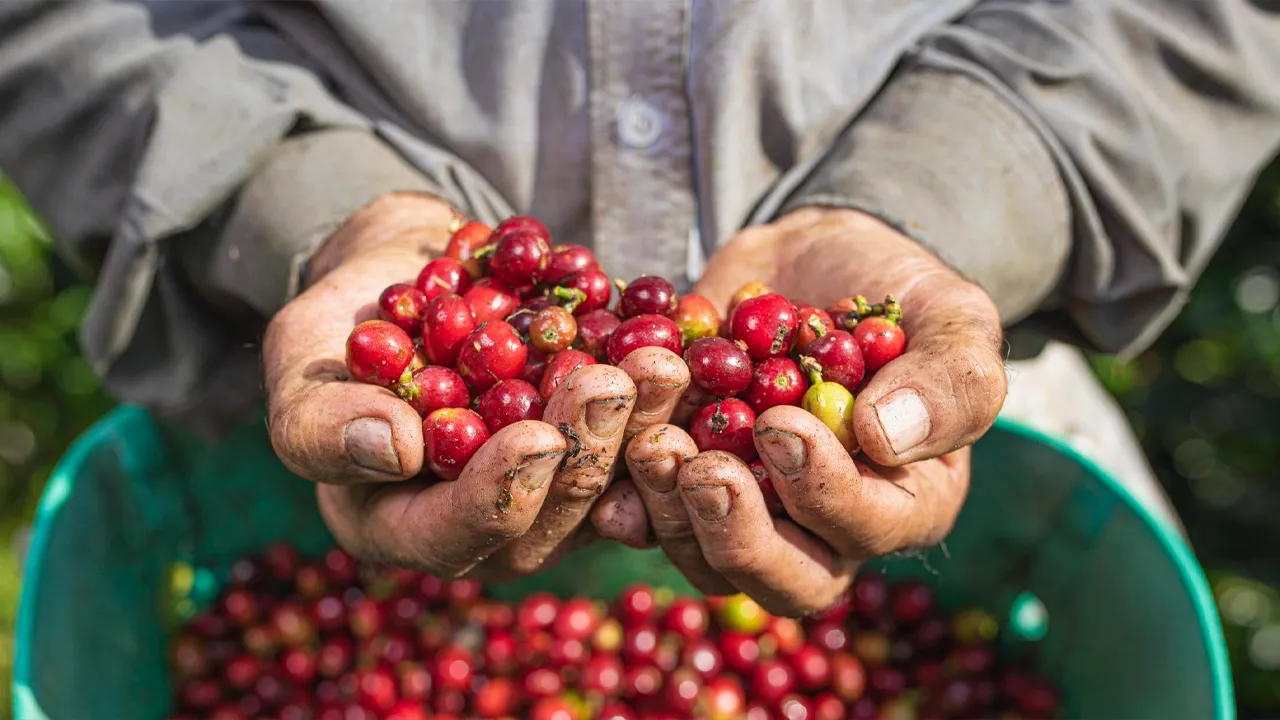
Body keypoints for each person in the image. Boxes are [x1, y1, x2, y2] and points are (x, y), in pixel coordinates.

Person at [1, 0, 1278, 615]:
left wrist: (952, 197)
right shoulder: (436, 333)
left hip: (969, 380)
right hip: (302, 371)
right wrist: (310, 204)